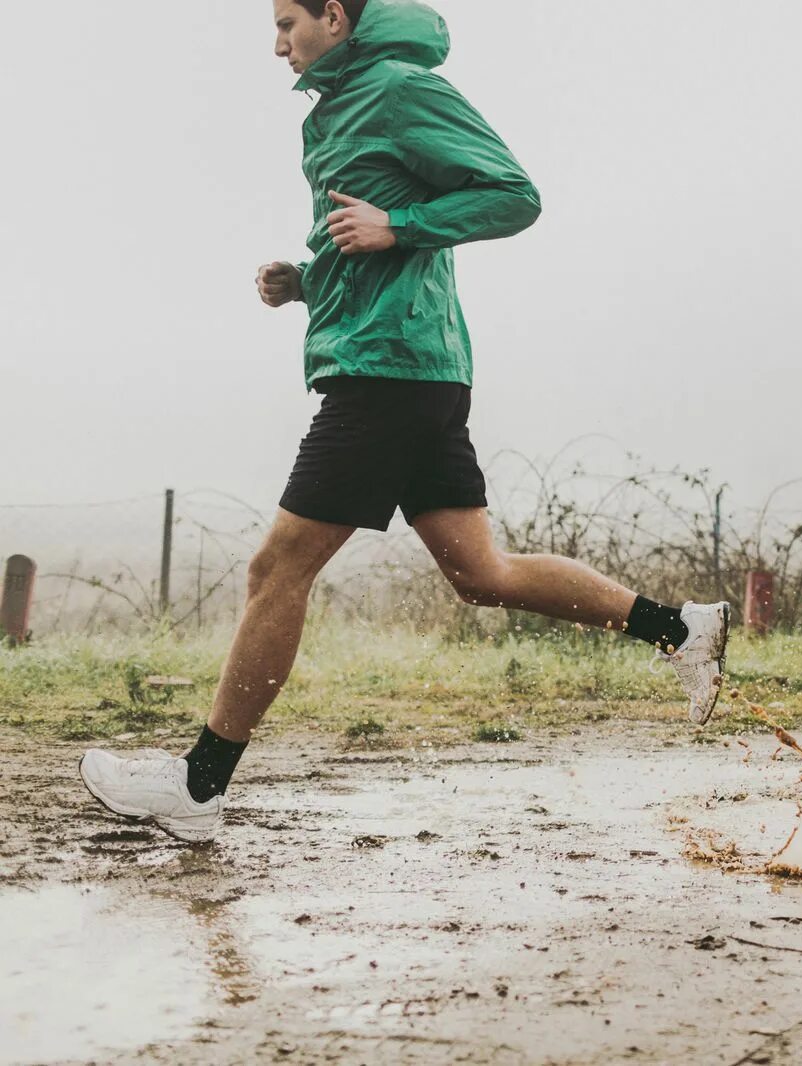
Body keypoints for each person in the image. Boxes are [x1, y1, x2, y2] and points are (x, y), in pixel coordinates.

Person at [78, 0, 730, 844]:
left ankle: (199, 788)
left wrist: (403, 226)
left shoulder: (396, 89)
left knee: (277, 569)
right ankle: (682, 628)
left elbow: (513, 194)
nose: (278, 44)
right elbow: (370, 239)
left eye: (288, 24)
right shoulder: (336, 111)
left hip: (389, 371)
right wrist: (307, 280)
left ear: (337, 17)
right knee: (482, 574)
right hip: (408, 367)